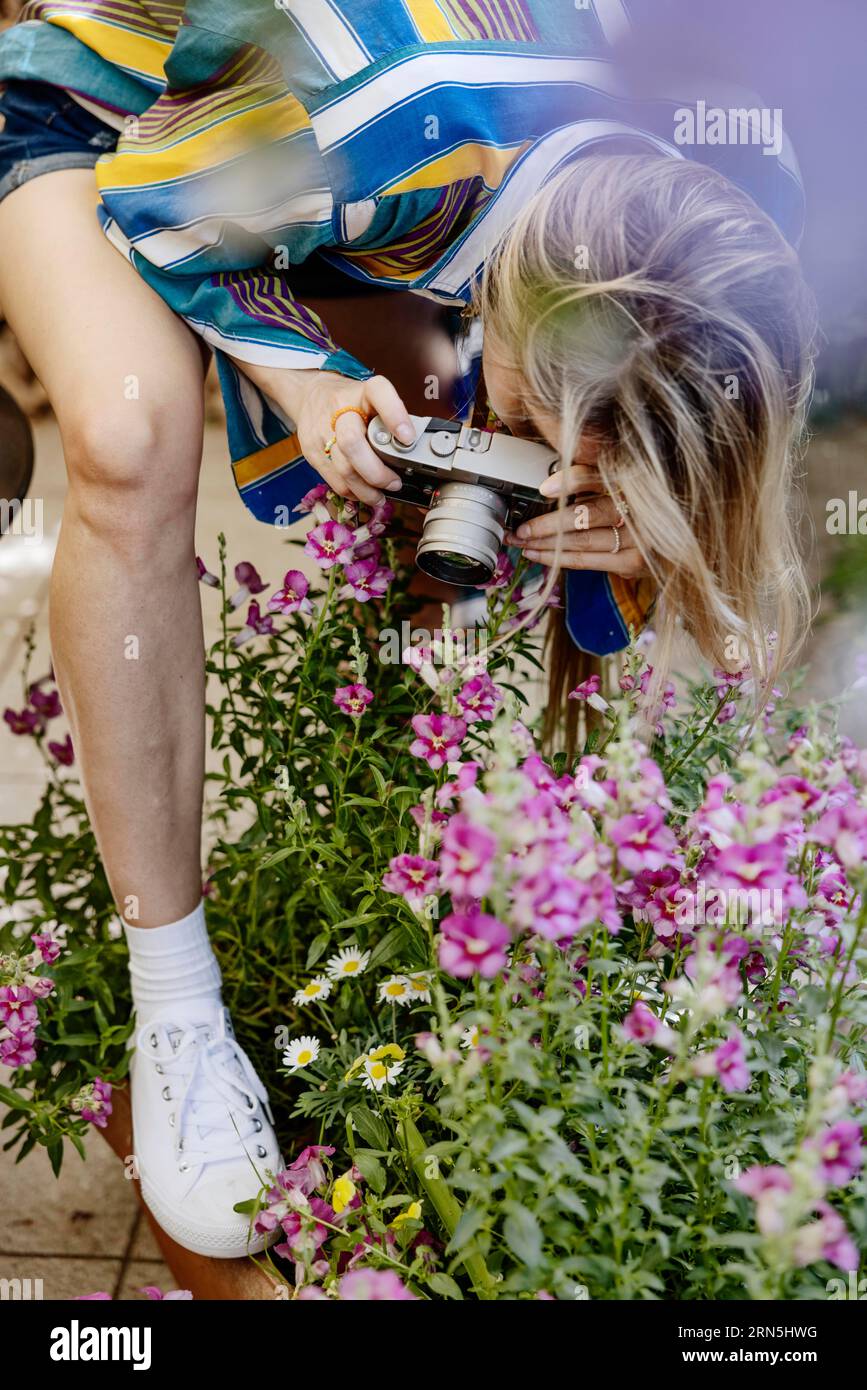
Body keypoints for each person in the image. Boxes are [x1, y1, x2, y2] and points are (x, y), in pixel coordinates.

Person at [0, 0, 815, 1256]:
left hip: (351, 198)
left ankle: (514, 894)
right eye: (563, 418)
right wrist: (303, 376)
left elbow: (709, 426)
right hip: (110, 125)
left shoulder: (750, 178)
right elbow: (154, 211)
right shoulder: (378, 121)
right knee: (129, 433)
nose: (567, 466)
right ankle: (177, 1008)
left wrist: (649, 531)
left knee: (472, 460)